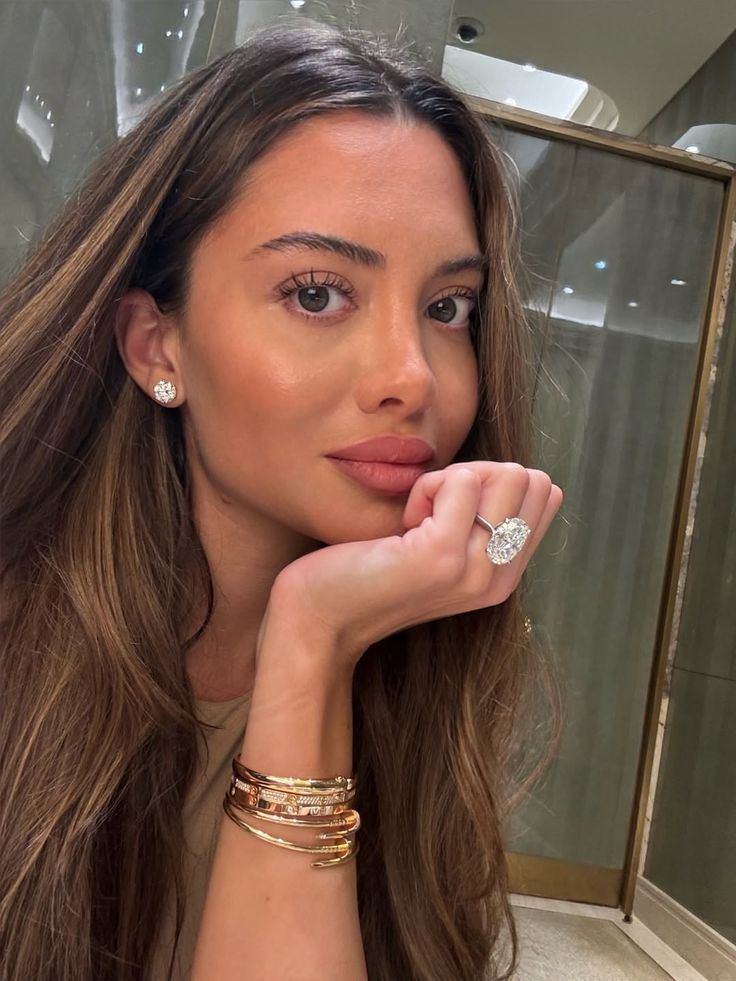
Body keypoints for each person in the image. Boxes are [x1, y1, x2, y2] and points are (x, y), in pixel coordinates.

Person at [0, 19, 564, 981]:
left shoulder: (417, 657)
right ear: (155, 346)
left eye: (447, 308)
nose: (411, 376)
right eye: (315, 294)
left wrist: (316, 640)